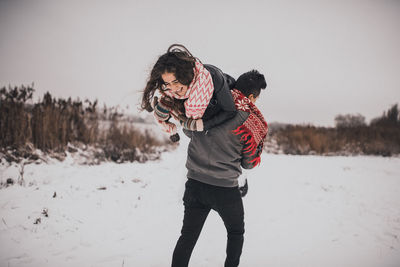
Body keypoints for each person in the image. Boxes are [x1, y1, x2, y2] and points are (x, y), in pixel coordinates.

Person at [171, 70, 268, 267]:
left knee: (187, 238)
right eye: (256, 98)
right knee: (235, 233)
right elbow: (248, 163)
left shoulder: (209, 102)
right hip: (225, 190)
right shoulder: (250, 119)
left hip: (195, 185)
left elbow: (190, 130)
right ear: (251, 96)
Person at [141, 44, 237, 142]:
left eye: (176, 81)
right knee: (188, 131)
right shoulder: (171, 92)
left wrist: (200, 125)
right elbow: (176, 113)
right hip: (202, 122)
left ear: (185, 75)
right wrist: (163, 115)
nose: (173, 89)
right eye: (167, 83)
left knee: (197, 132)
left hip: (225, 108)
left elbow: (230, 111)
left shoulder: (212, 76)